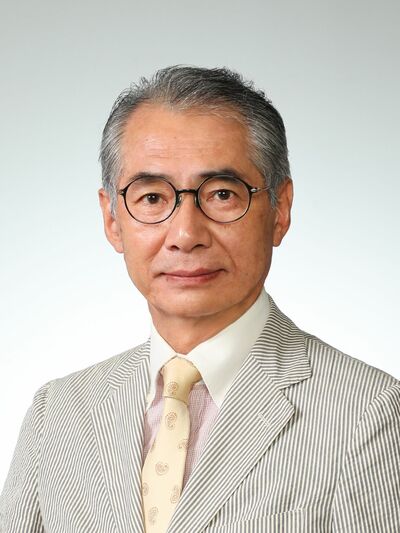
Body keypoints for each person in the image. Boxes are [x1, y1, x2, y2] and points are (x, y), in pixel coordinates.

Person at [1, 66, 399, 533]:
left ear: (280, 210)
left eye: (222, 194)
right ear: (112, 220)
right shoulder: (57, 413)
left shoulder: (368, 411)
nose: (186, 234)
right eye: (152, 198)